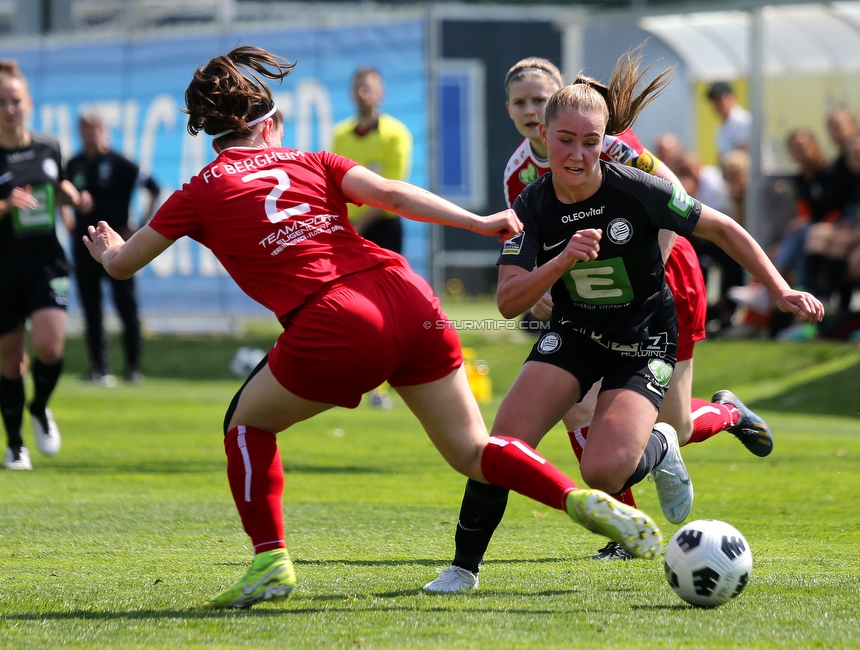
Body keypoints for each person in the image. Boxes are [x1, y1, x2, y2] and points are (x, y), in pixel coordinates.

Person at [83, 46, 664, 610]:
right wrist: (479, 222)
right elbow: (389, 194)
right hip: (410, 297)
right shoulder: (311, 160)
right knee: (473, 449)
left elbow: (127, 264)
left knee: (245, 423)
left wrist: (109, 250)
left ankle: (269, 561)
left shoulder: (201, 189)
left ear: (215, 136)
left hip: (335, 316)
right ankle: (577, 498)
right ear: (271, 123)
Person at [422, 49, 823, 592]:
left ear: (604, 140)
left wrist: (779, 288)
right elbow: (508, 300)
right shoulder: (532, 200)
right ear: (545, 133)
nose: (578, 154)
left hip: (643, 337)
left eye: (590, 142)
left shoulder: (638, 185)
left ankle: (660, 444)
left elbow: (722, 228)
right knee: (501, 445)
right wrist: (561, 260)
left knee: (603, 472)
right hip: (575, 334)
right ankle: (462, 569)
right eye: (565, 140)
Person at [493, 56, 772, 564]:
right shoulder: (519, 174)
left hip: (664, 280)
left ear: (561, 98)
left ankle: (727, 412)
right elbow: (528, 244)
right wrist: (542, 290)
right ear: (509, 109)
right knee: (577, 407)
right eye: (521, 102)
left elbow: (672, 201)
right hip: (590, 301)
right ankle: (623, 529)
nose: (531, 110)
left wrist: (645, 277)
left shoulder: (610, 143)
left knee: (675, 427)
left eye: (540, 98)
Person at [0, 60, 89, 471]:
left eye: (15, 100)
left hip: (46, 263)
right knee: (10, 360)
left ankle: (39, 408)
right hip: (3, 269)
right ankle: (15, 443)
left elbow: (59, 185)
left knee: (50, 348)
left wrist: (73, 196)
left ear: (29, 102)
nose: (9, 108)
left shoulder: (48, 145)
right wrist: (6, 205)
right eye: (1, 102)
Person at [66, 111, 161, 386]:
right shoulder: (73, 164)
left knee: (126, 307)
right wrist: (68, 219)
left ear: (104, 132)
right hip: (85, 246)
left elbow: (153, 188)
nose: (89, 135)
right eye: (84, 130)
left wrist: (140, 228)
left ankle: (132, 368)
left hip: (119, 248)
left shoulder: (122, 163)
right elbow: (59, 193)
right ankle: (100, 369)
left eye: (94, 129)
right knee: (91, 309)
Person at [332, 65, 412, 253]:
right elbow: (334, 182)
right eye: (357, 88)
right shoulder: (340, 134)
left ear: (381, 93)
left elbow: (393, 186)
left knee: (389, 281)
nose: (362, 93)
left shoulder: (396, 134)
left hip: (384, 225)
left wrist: (360, 224)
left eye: (367, 88)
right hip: (350, 226)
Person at [706, 81, 750, 158]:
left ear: (732, 98)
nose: (716, 104)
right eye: (713, 100)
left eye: (720, 99)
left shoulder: (743, 120)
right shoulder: (721, 128)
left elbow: (741, 156)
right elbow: (721, 157)